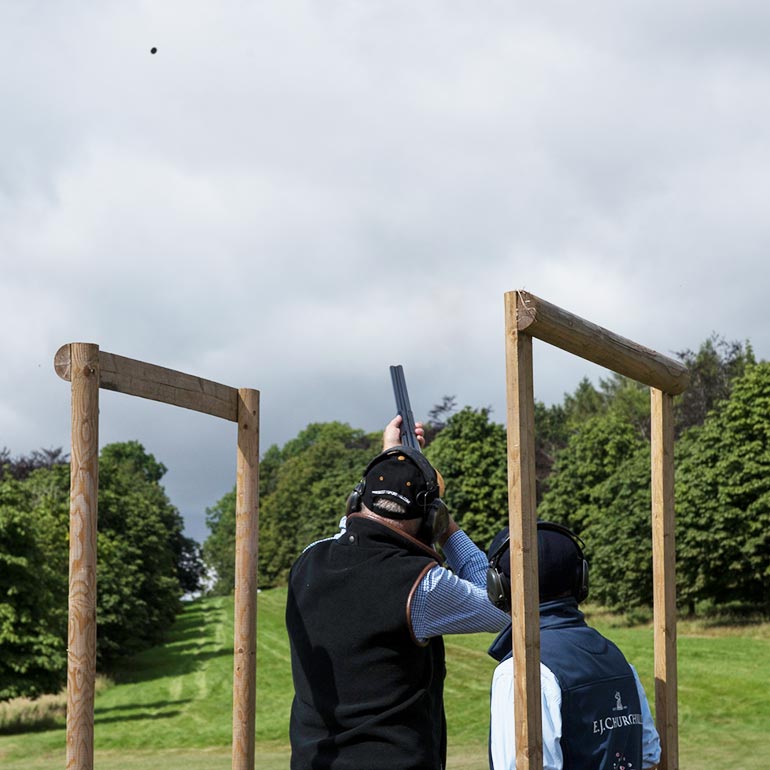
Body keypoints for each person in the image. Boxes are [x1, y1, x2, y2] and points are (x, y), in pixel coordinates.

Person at [285, 416, 509, 770]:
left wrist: (394, 459)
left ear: (357, 499)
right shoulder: (421, 585)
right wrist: (448, 530)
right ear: (430, 518)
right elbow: (501, 607)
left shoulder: (309, 558)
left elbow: (352, 530)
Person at [485, 522, 661, 770]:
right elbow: (649, 755)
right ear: (581, 580)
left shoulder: (519, 672)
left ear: (498, 587)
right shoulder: (618, 660)